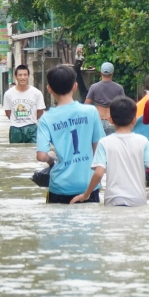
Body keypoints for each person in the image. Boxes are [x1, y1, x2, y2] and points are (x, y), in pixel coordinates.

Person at [72, 97, 149, 206]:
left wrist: (86, 195)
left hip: (113, 201)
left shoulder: (104, 142)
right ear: (134, 120)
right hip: (138, 201)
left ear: (110, 120)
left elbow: (99, 173)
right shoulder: (143, 141)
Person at [36, 65, 106, 203]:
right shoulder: (91, 112)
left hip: (59, 186)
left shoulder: (46, 119)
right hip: (88, 185)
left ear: (49, 89)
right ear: (75, 87)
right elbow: (100, 148)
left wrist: (51, 157)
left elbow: (41, 156)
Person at [4, 64, 46, 144]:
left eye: (25, 75)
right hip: (15, 129)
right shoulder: (8, 94)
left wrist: (30, 119)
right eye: (20, 75)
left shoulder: (37, 93)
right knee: (15, 153)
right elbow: (8, 112)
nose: (22, 78)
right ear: (16, 76)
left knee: (33, 152)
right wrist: (17, 120)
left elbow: (40, 111)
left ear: (28, 76)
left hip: (32, 128)